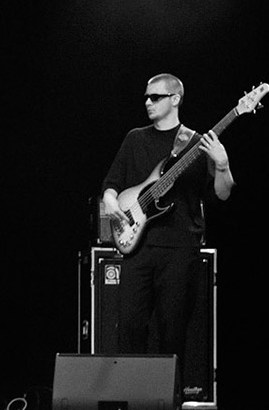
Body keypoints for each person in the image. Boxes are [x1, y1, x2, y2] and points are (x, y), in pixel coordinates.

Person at [99, 74, 233, 404]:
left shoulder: (196, 142)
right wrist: (113, 203)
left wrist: (223, 164)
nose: (147, 102)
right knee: (129, 327)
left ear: (175, 99)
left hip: (179, 249)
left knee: (172, 330)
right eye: (146, 97)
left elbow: (221, 196)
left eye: (155, 97)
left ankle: (168, 400)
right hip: (138, 248)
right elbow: (111, 185)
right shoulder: (134, 139)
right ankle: (129, 398)